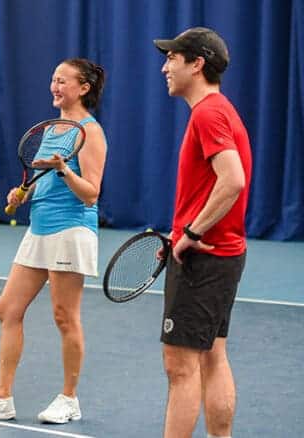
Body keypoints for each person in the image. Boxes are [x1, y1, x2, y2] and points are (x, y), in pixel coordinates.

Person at [0, 58, 108, 424]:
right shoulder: (53, 129)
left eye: (63, 80)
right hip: (40, 228)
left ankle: (70, 399)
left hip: (71, 229)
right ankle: (2, 397)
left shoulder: (88, 132)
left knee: (64, 316)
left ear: (84, 88)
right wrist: (22, 193)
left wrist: (62, 170)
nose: (54, 86)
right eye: (53, 79)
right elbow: (41, 178)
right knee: (7, 308)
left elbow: (91, 193)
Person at [154, 27, 251, 438]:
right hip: (223, 254)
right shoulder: (221, 110)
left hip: (204, 258)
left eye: (173, 59)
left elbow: (233, 179)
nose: (164, 67)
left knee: (180, 368)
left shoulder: (208, 113)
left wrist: (191, 231)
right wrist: (183, 233)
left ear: (197, 64)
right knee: (213, 356)